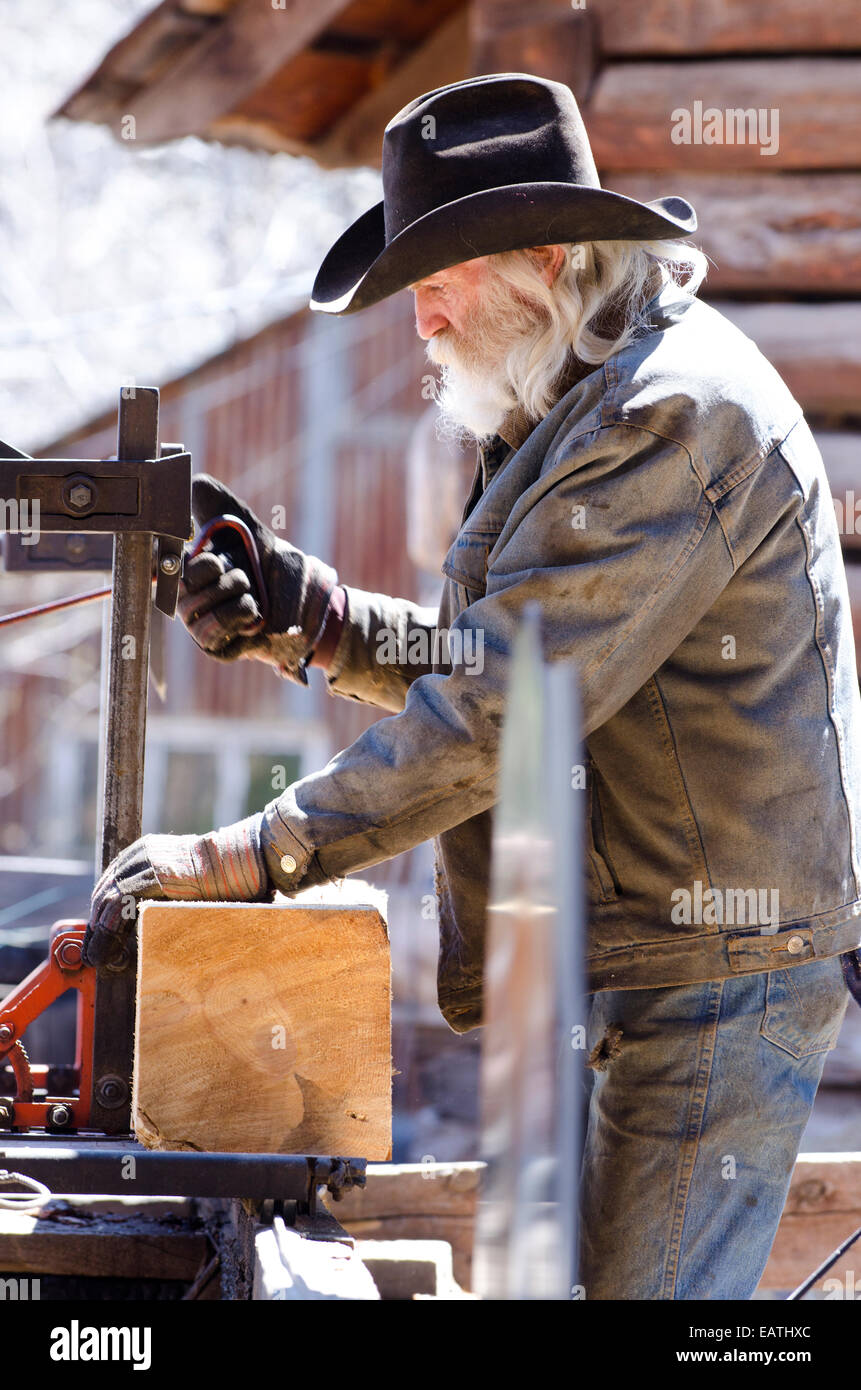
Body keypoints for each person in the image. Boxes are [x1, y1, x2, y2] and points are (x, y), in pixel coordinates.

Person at [84, 73, 861, 1299]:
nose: (421, 323)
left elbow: (504, 708)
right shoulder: (572, 396)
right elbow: (494, 660)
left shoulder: (668, 419)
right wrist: (311, 616)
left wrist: (255, 852)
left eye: (434, 284)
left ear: (543, 259)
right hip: (638, 961)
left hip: (721, 977)